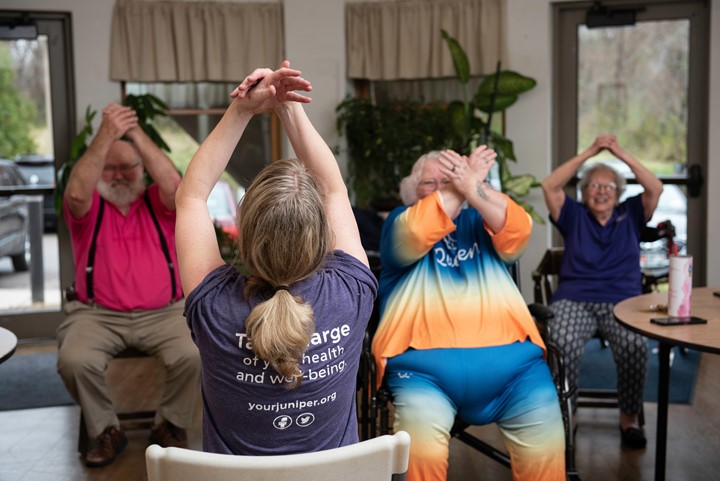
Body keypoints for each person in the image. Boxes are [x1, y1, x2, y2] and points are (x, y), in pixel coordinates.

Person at [175, 61, 377, 455]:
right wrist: (288, 105)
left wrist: (243, 109)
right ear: (322, 236)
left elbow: (191, 195)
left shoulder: (214, 307)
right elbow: (335, 190)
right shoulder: (352, 293)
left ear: (244, 234)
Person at [372, 147, 566, 481]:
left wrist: (472, 186)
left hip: (517, 372)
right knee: (419, 460)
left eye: (450, 180)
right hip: (423, 374)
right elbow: (418, 233)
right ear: (412, 191)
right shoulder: (400, 223)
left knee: (545, 457)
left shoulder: (483, 221)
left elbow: (518, 231)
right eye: (431, 183)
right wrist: (463, 182)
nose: (444, 187)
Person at [57, 103, 201, 467]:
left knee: (197, 352)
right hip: (97, 315)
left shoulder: (159, 203)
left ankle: (169, 424)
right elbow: (75, 193)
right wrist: (107, 133)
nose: (119, 175)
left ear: (143, 171)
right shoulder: (88, 209)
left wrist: (134, 132)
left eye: (128, 167)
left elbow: (175, 185)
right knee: (74, 360)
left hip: (165, 313)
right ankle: (107, 430)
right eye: (110, 168)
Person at [541, 134, 664, 449]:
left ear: (619, 193)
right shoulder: (573, 214)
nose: (601, 191)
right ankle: (570, 413)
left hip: (623, 301)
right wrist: (591, 152)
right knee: (561, 340)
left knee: (636, 345)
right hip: (574, 298)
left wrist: (619, 152)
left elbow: (655, 188)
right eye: (594, 185)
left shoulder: (632, 213)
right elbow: (550, 186)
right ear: (583, 193)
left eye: (608, 186)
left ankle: (629, 418)